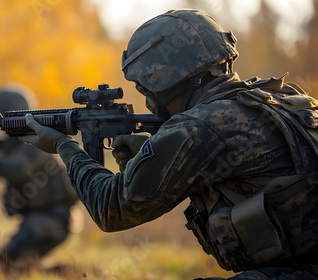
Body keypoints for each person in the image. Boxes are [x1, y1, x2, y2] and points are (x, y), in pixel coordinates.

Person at [20, 9, 318, 280]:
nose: (148, 99)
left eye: (146, 87)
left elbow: (111, 209)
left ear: (168, 77)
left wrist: (63, 146)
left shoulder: (198, 126)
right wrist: (154, 150)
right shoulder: (280, 98)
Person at [0, 84, 79, 268]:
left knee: (3, 262)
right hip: (37, 221)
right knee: (10, 263)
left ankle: (61, 271)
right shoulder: (8, 150)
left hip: (52, 221)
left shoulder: (38, 142)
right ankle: (51, 270)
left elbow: (16, 170)